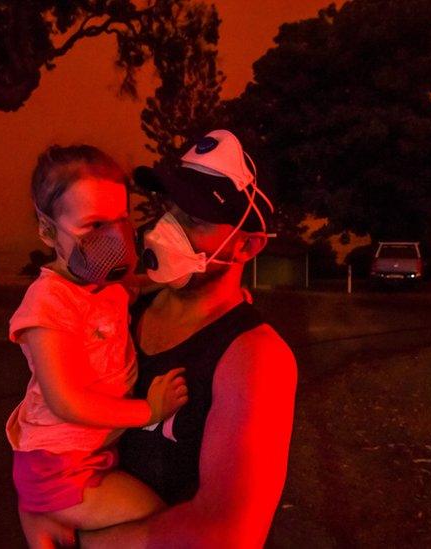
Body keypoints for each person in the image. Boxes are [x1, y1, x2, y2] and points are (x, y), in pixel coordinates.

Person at [80, 130, 298, 547]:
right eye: (170, 207)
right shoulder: (120, 312)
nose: (167, 228)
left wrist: (81, 541)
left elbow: (227, 534)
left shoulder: (255, 358)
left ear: (246, 246)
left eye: (194, 218)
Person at [6, 145, 189, 548]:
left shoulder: (105, 283)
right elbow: (65, 401)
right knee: (158, 523)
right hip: (60, 468)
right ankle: (47, 519)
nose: (112, 237)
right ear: (48, 229)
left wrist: (194, 280)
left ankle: (45, 520)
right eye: (93, 226)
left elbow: (134, 287)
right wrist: (149, 412)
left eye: (120, 220)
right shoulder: (48, 304)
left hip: (88, 456)